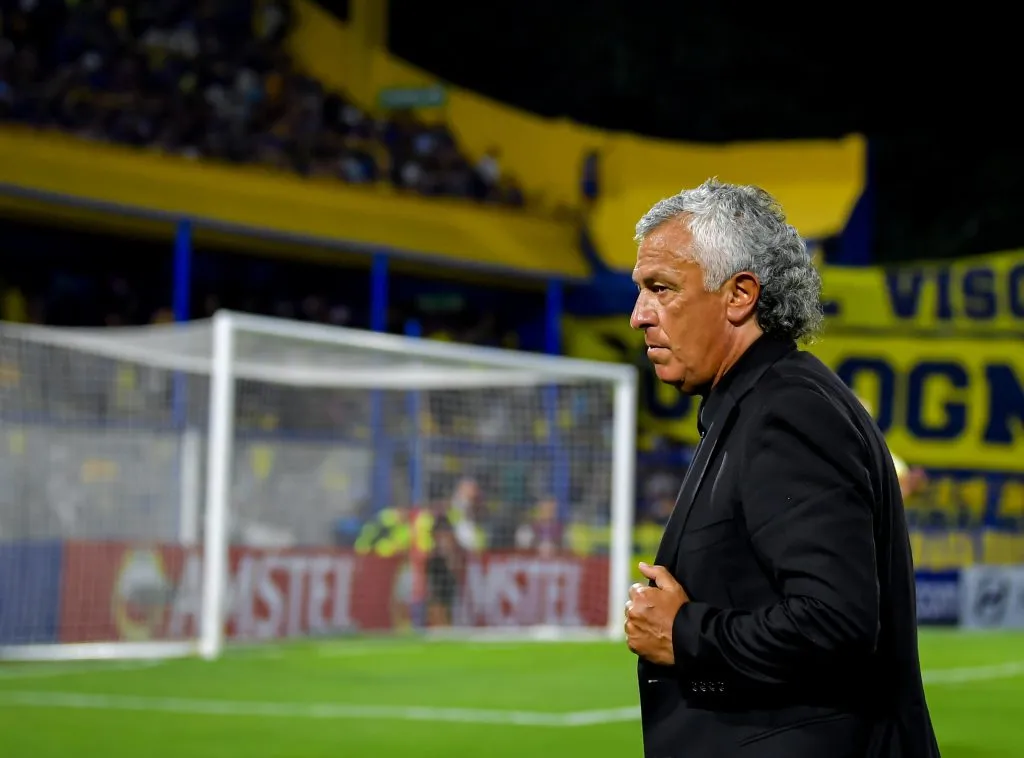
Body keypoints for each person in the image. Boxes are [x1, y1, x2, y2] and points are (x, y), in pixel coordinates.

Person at [623, 179, 939, 757]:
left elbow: (835, 625)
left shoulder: (787, 411)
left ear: (739, 294)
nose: (639, 315)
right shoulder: (760, 403)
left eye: (661, 289)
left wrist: (684, 635)